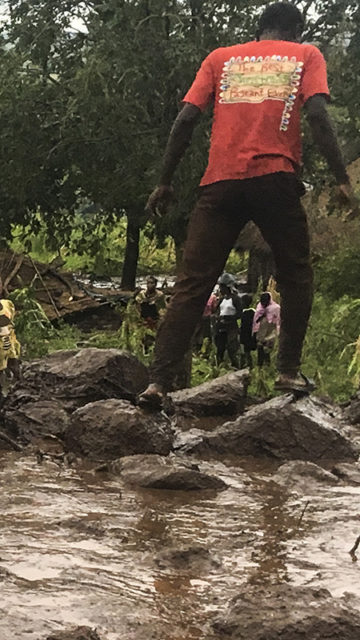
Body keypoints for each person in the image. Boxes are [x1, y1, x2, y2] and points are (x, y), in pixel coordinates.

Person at [138, 2, 353, 408]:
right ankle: (287, 371)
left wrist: (165, 181)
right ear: (297, 31)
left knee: (192, 284)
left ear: (259, 30)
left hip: (220, 183)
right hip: (275, 180)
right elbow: (319, 117)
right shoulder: (306, 55)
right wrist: (342, 179)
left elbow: (185, 119)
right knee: (296, 275)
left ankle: (157, 383)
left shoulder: (220, 59)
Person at [212, 285, 241, 366]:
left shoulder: (235, 299)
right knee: (220, 346)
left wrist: (228, 318)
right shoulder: (222, 299)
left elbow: (239, 313)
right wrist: (217, 317)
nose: (220, 290)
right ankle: (219, 364)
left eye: (222, 288)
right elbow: (217, 310)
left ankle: (235, 364)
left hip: (231, 326)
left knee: (231, 346)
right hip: (221, 325)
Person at [253, 292, 282, 367]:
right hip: (261, 330)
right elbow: (256, 319)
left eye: (265, 302)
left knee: (267, 349)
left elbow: (278, 320)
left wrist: (278, 330)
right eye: (262, 302)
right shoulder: (260, 307)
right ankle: (259, 366)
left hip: (270, 330)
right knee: (260, 348)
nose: (264, 304)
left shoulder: (276, 308)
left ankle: (267, 366)